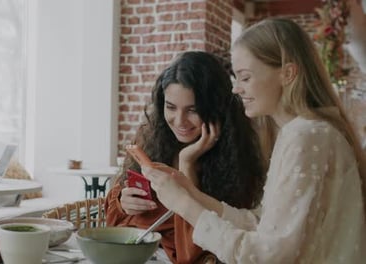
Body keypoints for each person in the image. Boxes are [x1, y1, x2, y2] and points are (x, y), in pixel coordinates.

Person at [142, 18, 366, 263]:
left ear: (288, 74)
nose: (236, 89)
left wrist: (183, 203)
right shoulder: (299, 133)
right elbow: (260, 223)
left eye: (245, 78)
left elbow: (265, 256)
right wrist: (190, 193)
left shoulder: (307, 136)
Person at [105, 51, 266, 263]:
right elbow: (113, 212)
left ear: (216, 109)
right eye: (171, 107)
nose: (179, 121)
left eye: (193, 110)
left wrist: (187, 163)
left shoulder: (237, 158)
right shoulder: (151, 135)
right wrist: (122, 201)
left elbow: (196, 252)